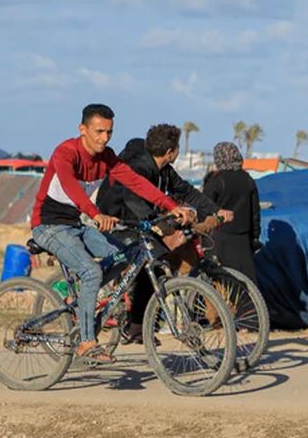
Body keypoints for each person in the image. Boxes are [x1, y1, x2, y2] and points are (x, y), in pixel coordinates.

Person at [31, 104, 195, 364]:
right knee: (91, 271)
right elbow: (71, 187)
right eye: (98, 131)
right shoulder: (66, 152)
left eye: (109, 132)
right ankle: (87, 341)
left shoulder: (106, 157)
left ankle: (88, 301)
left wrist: (172, 206)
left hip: (75, 224)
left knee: (123, 257)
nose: (104, 138)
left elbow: (137, 183)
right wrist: (95, 214)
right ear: (82, 130)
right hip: (48, 225)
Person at [96, 123, 227, 342]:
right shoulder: (139, 167)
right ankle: (110, 303)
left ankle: (136, 325)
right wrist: (155, 221)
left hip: (139, 223)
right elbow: (132, 200)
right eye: (177, 148)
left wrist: (215, 210)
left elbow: (187, 191)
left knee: (154, 265)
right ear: (170, 152)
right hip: (118, 222)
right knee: (144, 260)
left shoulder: (164, 170)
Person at [201, 141, 261, 282]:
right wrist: (254, 238)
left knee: (220, 284)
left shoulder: (215, 181)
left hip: (218, 239)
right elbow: (255, 214)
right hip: (243, 240)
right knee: (246, 286)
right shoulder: (248, 180)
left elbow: (203, 209)